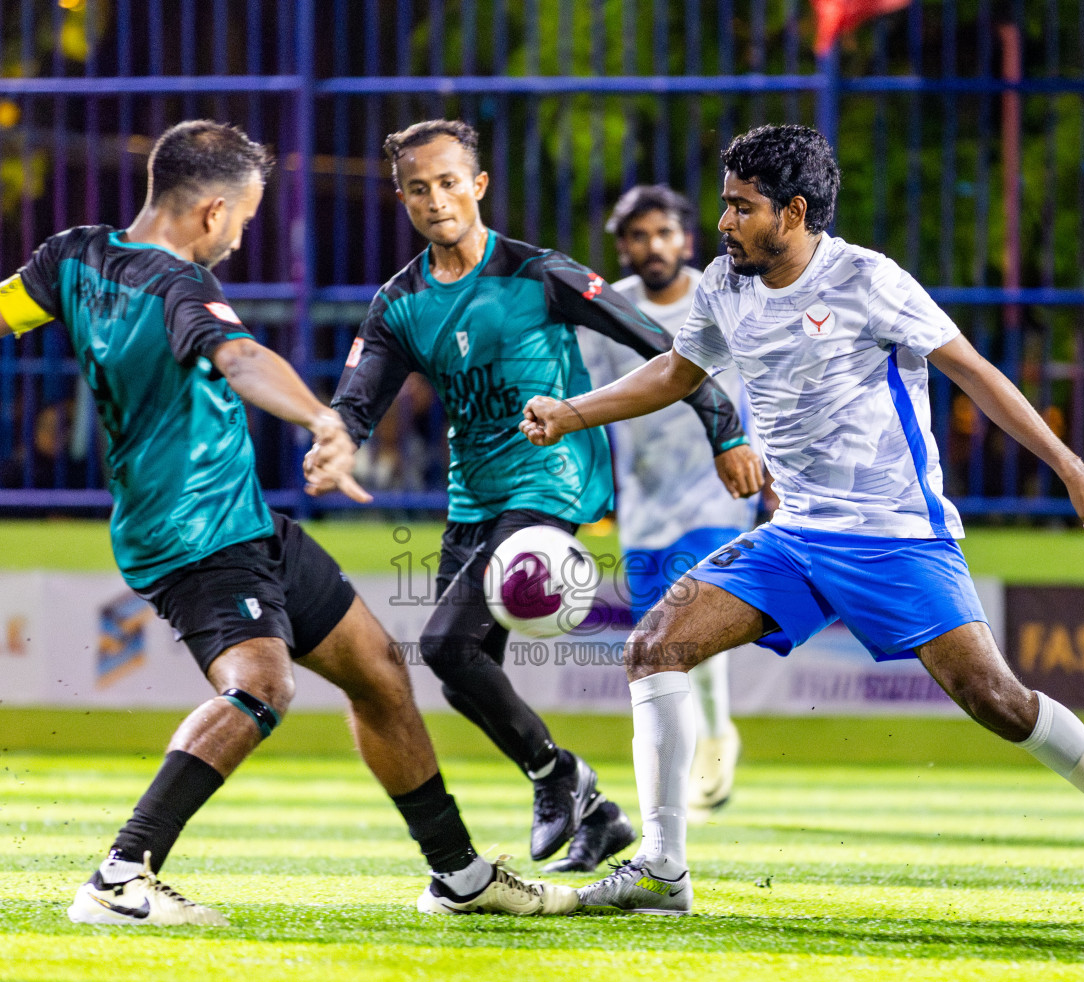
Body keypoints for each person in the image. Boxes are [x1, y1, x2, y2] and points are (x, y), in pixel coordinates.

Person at [0, 119, 576, 923]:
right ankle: (122, 875)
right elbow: (241, 358)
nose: (240, 238)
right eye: (244, 219)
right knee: (263, 684)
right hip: (192, 536)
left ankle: (459, 876)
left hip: (244, 523)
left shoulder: (73, 256)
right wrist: (320, 419)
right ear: (210, 212)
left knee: (377, 670)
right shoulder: (182, 289)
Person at [521, 124, 1084, 924]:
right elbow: (676, 372)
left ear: (792, 213)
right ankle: (662, 869)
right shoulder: (725, 287)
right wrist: (573, 413)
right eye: (723, 205)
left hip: (894, 534)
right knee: (655, 647)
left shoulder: (868, 280)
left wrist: (1071, 467)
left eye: (740, 207)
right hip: (795, 536)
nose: (722, 224)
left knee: (1000, 702)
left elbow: (977, 374)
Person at [313, 120, 764, 873]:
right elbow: (358, 401)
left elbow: (665, 349)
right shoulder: (398, 303)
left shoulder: (540, 273)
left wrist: (725, 429)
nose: (436, 200)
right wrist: (335, 443)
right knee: (462, 673)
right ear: (401, 198)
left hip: (552, 483)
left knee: (442, 646)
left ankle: (560, 779)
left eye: (450, 182)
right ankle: (595, 811)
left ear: (478, 185)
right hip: (473, 498)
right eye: (418, 188)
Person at [575, 185, 754, 812]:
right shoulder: (609, 311)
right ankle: (706, 736)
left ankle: (711, 742)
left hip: (718, 494)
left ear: (686, 239)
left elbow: (759, 391)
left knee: (690, 618)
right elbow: (592, 400)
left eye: (665, 233)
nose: (654, 246)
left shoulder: (724, 300)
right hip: (643, 503)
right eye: (639, 236)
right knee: (661, 639)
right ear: (623, 246)